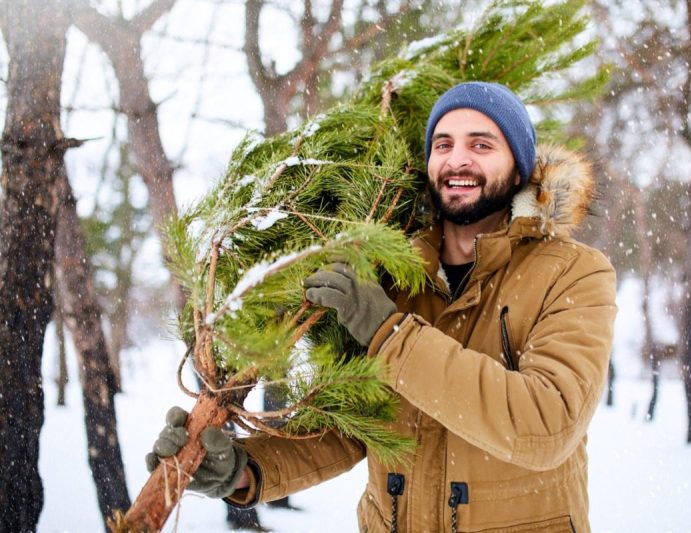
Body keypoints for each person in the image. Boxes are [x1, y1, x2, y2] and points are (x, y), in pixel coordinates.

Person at [149, 82, 617, 532]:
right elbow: (349, 426)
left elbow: (545, 425)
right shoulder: (393, 278)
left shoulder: (574, 272)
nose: (457, 159)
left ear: (519, 168)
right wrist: (246, 470)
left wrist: (390, 336)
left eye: (481, 145)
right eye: (443, 144)